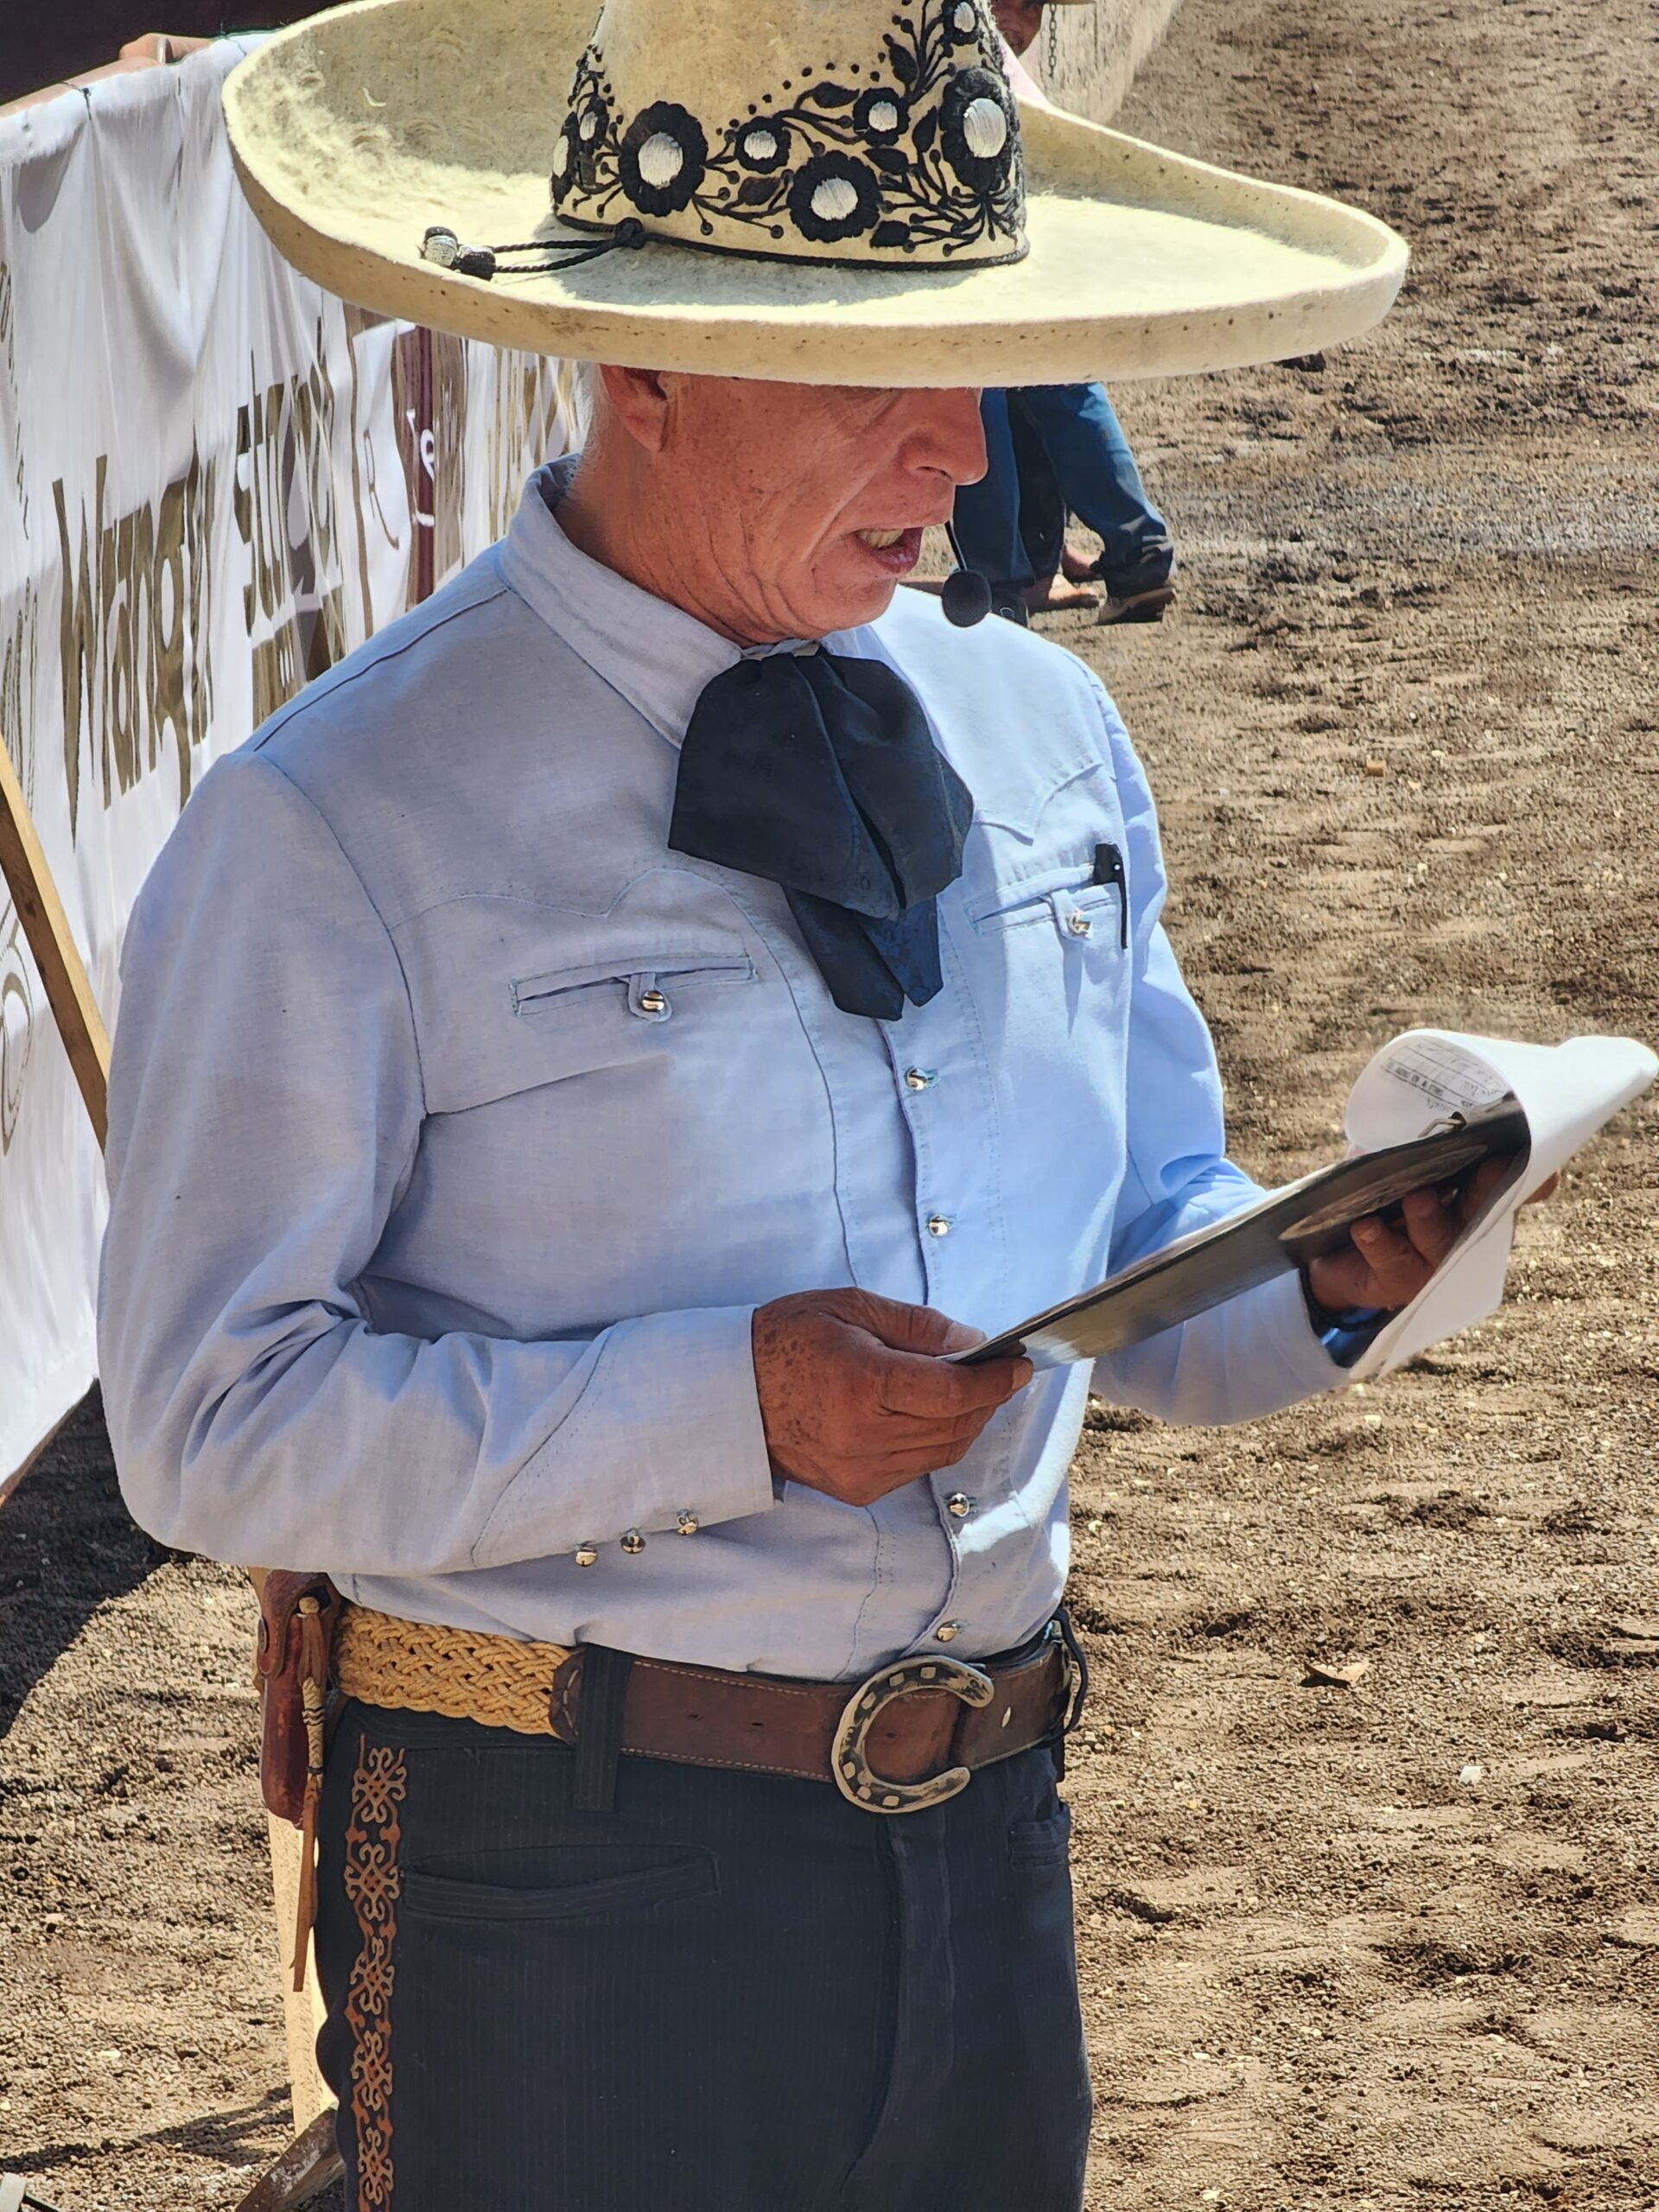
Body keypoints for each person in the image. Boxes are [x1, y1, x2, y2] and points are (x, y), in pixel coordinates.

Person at [99, 0, 1417, 2203]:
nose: (959, 450)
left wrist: (1338, 1264)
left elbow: (1142, 1257)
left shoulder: (1047, 736)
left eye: (981, 361)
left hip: (990, 1827)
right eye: (872, 381)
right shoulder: (341, 818)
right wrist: (731, 1405)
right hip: (563, 1878)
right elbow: (209, 1422)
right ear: (649, 366)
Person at [953, 0, 1179, 624]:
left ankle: (997, 587)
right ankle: (1139, 555)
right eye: (1015, 6)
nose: (1022, 28)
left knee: (974, 389)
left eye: (1033, 9)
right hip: (1024, 222)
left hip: (962, 224)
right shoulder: (989, 55)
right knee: (1057, 382)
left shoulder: (945, 39)